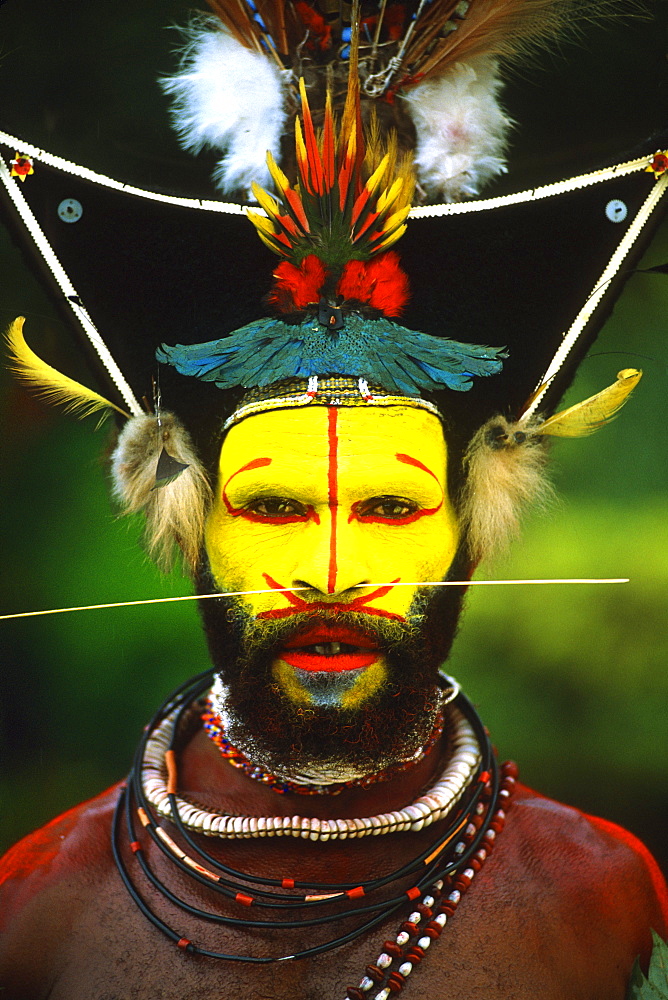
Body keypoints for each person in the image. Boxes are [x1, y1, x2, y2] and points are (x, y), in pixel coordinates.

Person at [0, 2, 666, 997]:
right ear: (190, 527)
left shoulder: (607, 903)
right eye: (272, 508)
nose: (328, 572)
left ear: (468, 532)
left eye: (390, 510)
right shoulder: (34, 908)